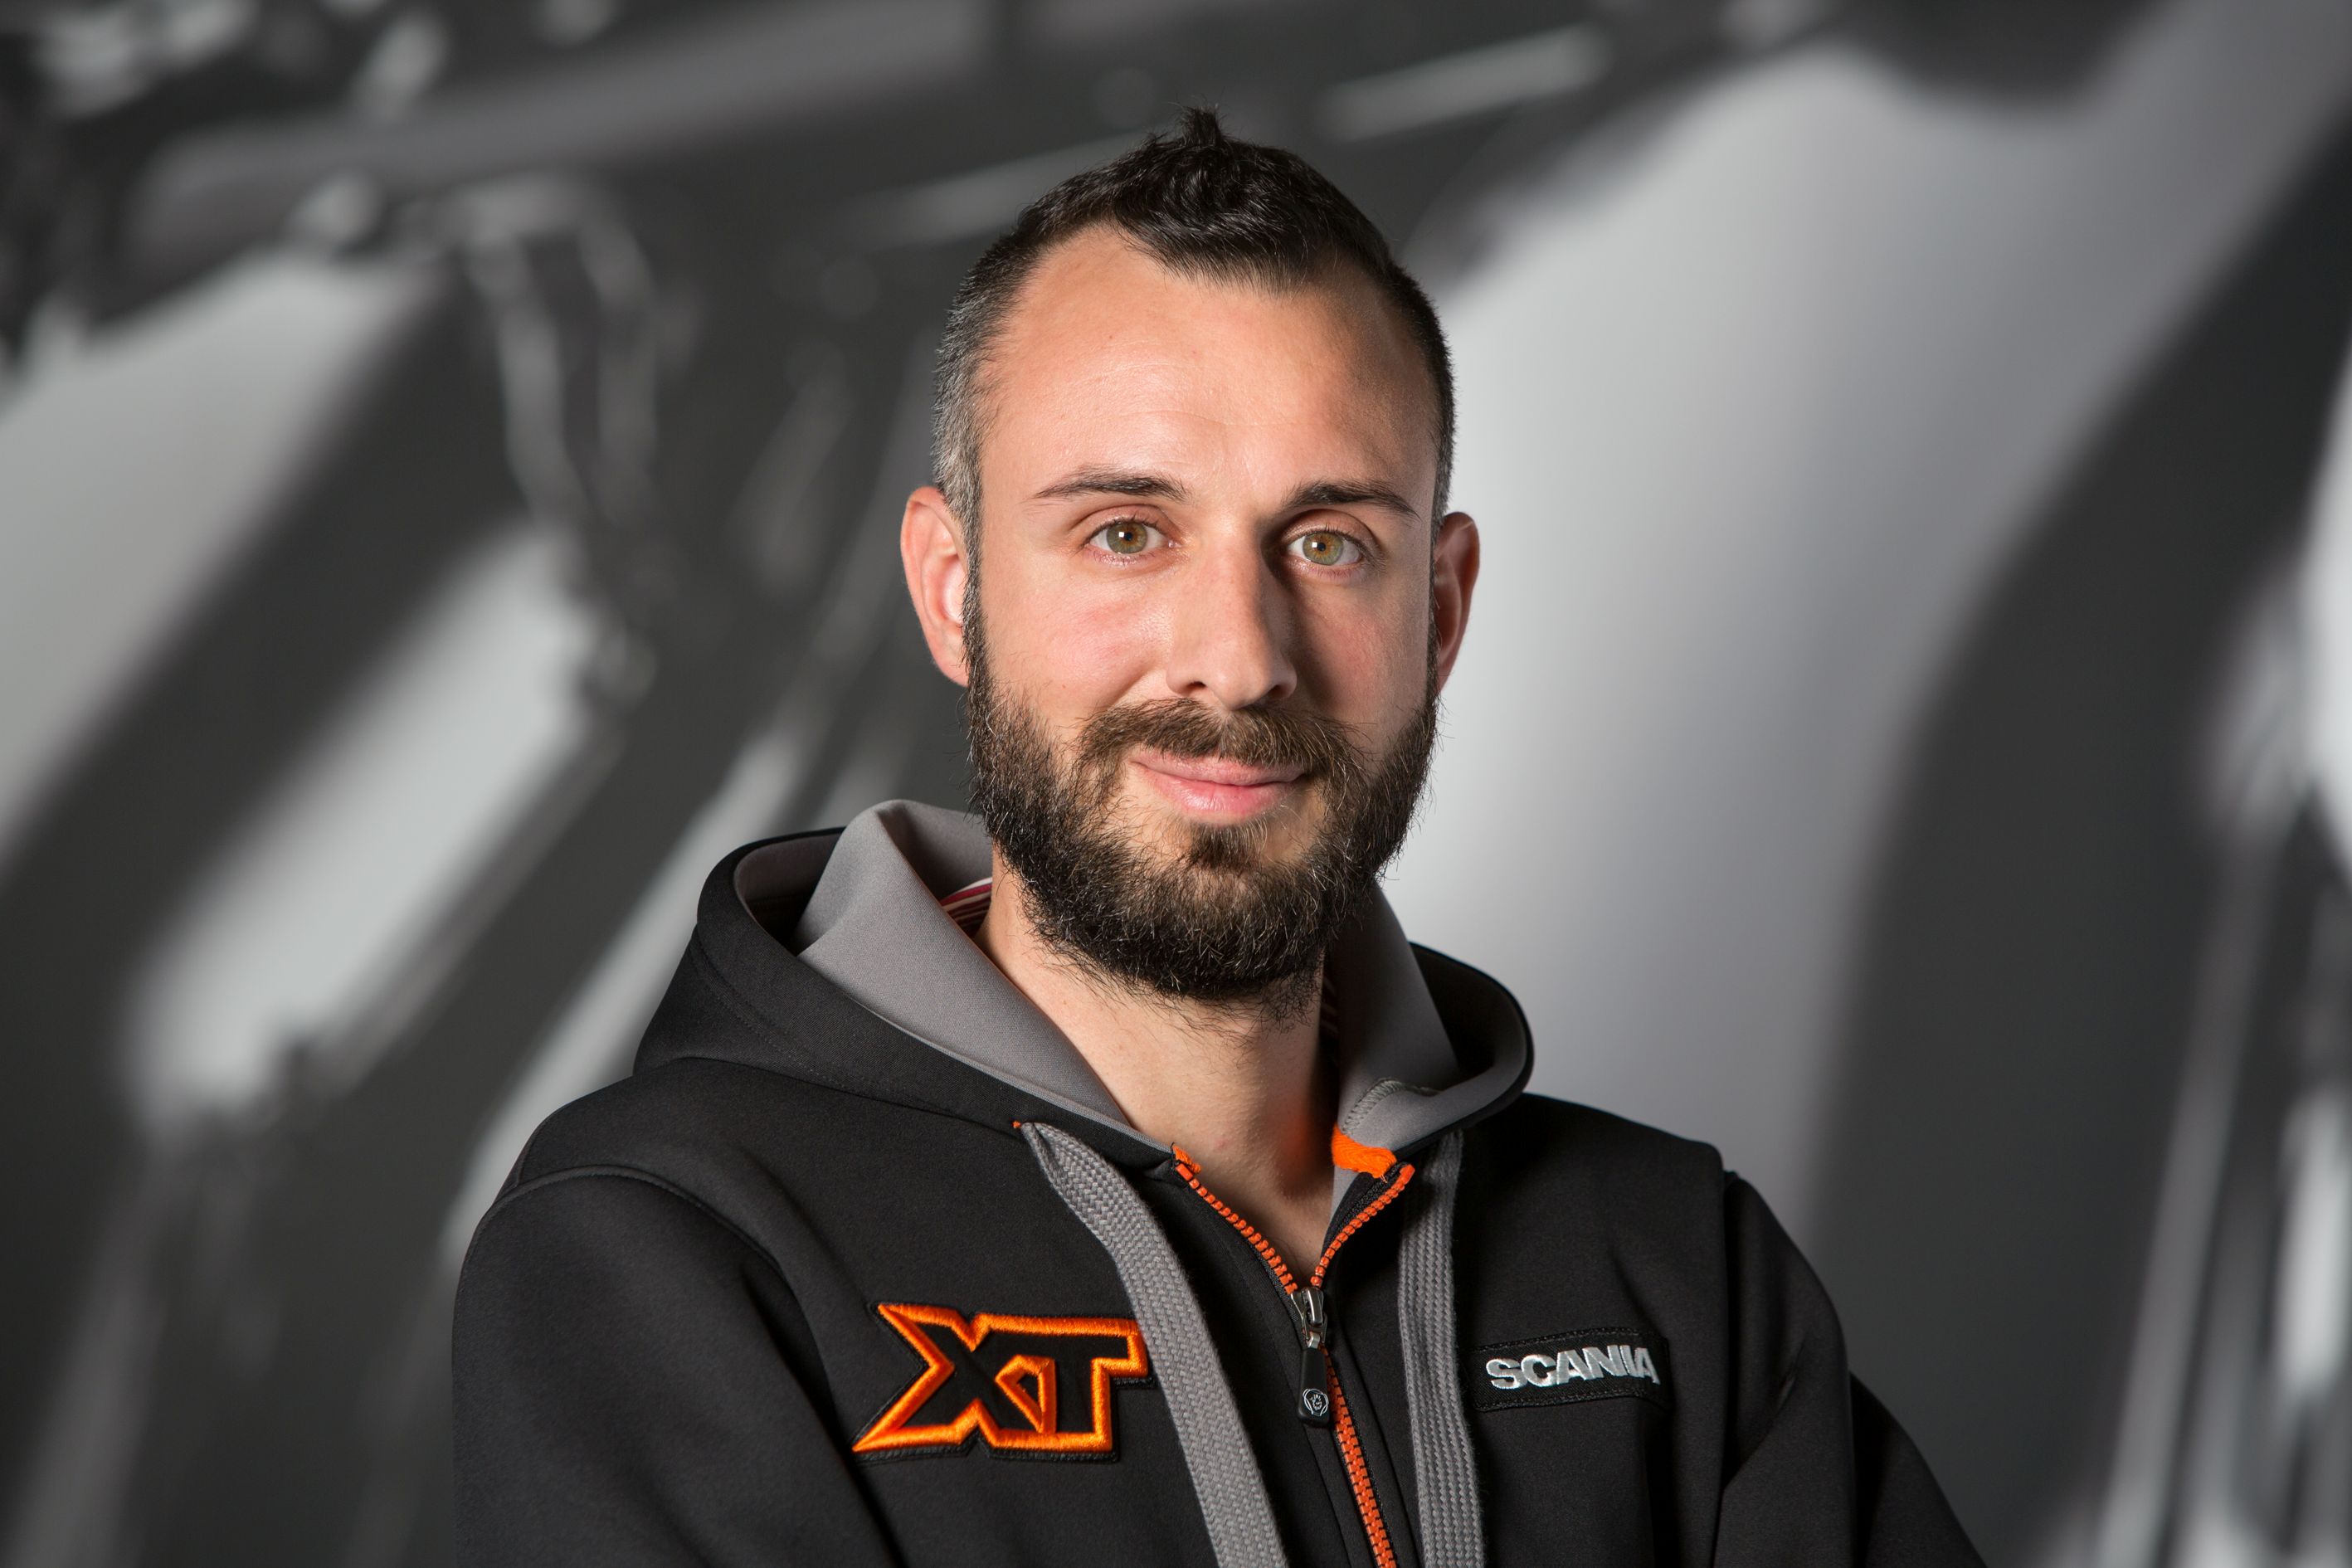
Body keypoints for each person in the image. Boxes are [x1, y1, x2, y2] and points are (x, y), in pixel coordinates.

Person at [451, 109, 1982, 1568]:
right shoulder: (682, 1244)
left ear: (1441, 609)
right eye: (1128, 533)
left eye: (1328, 543)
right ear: (952, 590)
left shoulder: (1678, 1270)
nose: (1240, 658)